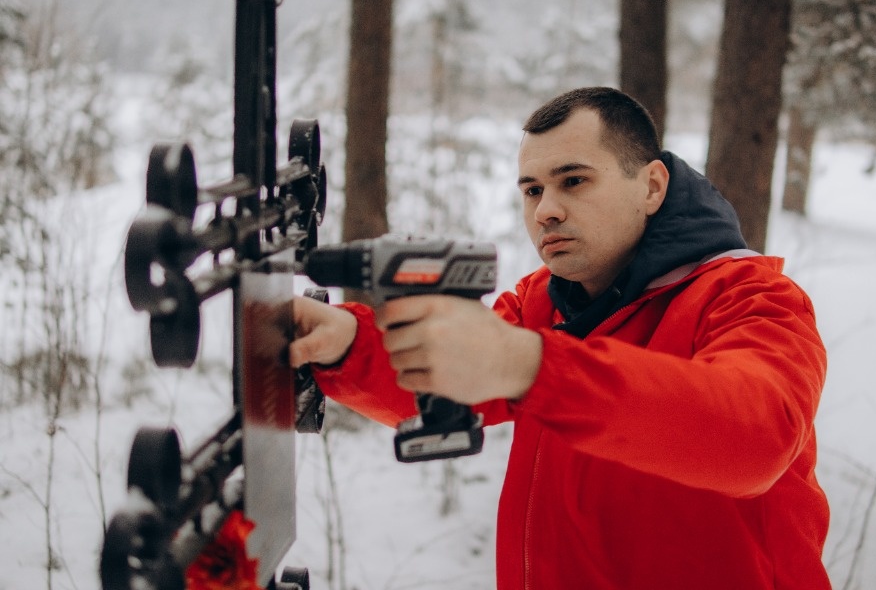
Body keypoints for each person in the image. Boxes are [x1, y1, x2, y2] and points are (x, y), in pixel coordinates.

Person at [290, 87, 831, 589]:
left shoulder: (754, 298)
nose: (545, 209)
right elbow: (443, 377)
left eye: (573, 180)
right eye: (532, 189)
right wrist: (344, 342)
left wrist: (529, 365)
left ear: (651, 186)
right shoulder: (545, 301)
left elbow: (754, 440)